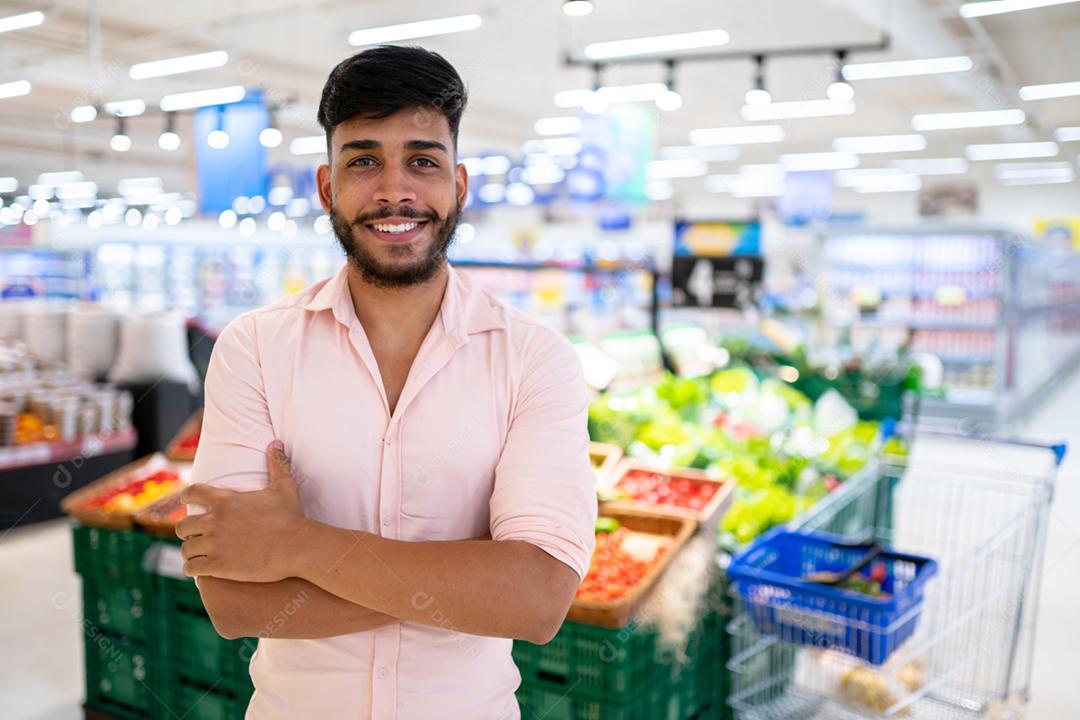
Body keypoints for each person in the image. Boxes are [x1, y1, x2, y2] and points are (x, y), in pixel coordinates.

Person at [175, 45, 597, 720]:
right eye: (364, 159)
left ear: (459, 185)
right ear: (327, 187)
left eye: (422, 161)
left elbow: (538, 599)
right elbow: (232, 602)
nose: (394, 190)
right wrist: (461, 589)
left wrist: (296, 546)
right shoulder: (254, 347)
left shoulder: (534, 359)